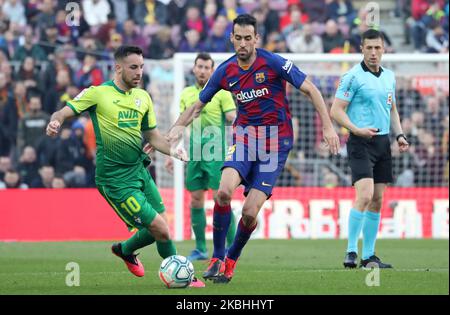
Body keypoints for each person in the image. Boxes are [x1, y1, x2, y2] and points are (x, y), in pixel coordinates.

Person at [167, 14, 339, 283]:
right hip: (245, 138)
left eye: (249, 38)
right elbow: (197, 105)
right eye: (239, 38)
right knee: (223, 191)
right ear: (232, 38)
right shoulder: (224, 71)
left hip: (276, 142)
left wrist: (328, 127)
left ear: (256, 39)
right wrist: (176, 129)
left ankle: (231, 259)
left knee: (249, 212)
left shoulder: (273, 62)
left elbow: (312, 90)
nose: (244, 43)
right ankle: (217, 256)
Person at [46, 45, 204, 287]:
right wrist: (55, 122)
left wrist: (174, 150)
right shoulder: (97, 94)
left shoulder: (143, 97)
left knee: (161, 225)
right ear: (118, 68)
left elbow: (153, 138)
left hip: (139, 170)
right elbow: (62, 112)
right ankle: (182, 276)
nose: (139, 72)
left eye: (141, 67)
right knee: (161, 229)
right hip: (115, 180)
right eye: (133, 67)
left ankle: (125, 250)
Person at [330, 29, 410, 269]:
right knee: (364, 196)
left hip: (383, 142)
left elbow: (391, 108)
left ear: (383, 49)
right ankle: (351, 251)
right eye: (369, 48)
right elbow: (336, 110)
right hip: (360, 142)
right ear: (362, 49)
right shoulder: (352, 77)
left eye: (378, 48)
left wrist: (400, 134)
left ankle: (369, 256)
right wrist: (356, 129)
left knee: (377, 200)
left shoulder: (389, 77)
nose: (374, 53)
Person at [165, 52, 238, 261]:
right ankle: (200, 248)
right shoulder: (186, 93)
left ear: (212, 70)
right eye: (200, 67)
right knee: (196, 199)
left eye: (207, 68)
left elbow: (232, 116)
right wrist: (171, 151)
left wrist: (245, 123)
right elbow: (182, 122)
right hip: (195, 152)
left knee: (221, 198)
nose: (203, 71)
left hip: (216, 152)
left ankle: (232, 247)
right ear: (194, 69)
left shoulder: (222, 92)